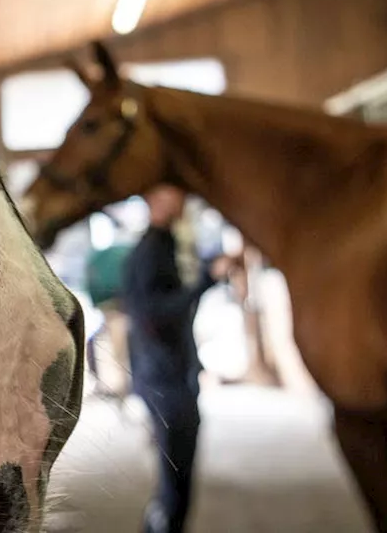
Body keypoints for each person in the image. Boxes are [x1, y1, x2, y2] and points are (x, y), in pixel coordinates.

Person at [123, 185, 234, 533]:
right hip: (163, 380)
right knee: (174, 483)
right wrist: (204, 282)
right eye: (171, 191)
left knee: (180, 480)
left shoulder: (170, 243)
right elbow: (155, 315)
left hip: (174, 374)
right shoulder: (148, 252)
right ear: (153, 199)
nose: (182, 197)